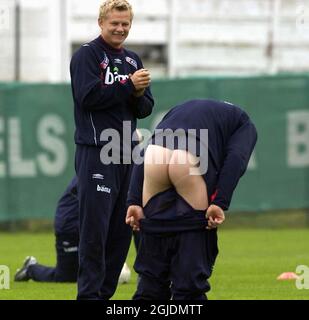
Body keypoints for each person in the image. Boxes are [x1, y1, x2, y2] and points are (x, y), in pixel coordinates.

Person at [126, 99, 258, 300]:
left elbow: (144, 152)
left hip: (155, 157)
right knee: (189, 286)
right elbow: (235, 159)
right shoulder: (243, 122)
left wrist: (134, 201)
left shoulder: (177, 109)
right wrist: (219, 202)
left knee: (151, 285)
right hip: (187, 160)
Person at [70, 0, 154, 299]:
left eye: (125, 24)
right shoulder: (87, 55)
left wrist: (138, 92)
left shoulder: (133, 60)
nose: (120, 28)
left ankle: (104, 297)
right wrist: (129, 86)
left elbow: (144, 109)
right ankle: (89, 296)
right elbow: (87, 97)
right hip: (97, 149)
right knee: (95, 231)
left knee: (122, 229)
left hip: (127, 151)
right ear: (101, 22)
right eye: (114, 23)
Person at [14, 177, 131, 284]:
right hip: (69, 226)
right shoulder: (95, 172)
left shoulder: (112, 171)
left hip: (85, 224)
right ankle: (31, 268)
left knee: (88, 271)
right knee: (65, 277)